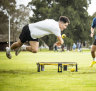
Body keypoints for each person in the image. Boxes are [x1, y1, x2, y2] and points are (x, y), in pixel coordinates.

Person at [6, 16, 70, 59]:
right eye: (65, 25)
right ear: (61, 23)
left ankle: (22, 48)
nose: (65, 28)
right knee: (18, 44)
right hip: (29, 29)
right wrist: (59, 42)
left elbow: (45, 20)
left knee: (35, 50)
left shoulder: (53, 21)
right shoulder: (56, 28)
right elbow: (61, 41)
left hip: (34, 35)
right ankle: (8, 50)